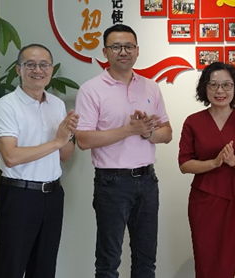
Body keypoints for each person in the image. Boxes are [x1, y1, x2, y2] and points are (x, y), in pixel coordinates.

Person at [75, 24, 173, 278]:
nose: (123, 52)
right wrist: (130, 130)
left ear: (137, 50)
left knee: (146, 259)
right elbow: (83, 139)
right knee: (108, 261)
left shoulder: (151, 87)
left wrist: (146, 132)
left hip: (147, 180)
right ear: (105, 52)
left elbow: (167, 133)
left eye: (129, 46)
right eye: (116, 47)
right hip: (112, 182)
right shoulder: (91, 89)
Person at [0, 44, 79, 278]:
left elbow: (65, 154)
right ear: (18, 69)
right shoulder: (5, 106)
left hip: (53, 195)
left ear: (51, 69)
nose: (38, 70)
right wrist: (57, 141)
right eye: (30, 64)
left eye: (44, 65)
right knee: (10, 268)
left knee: (44, 269)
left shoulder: (57, 105)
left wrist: (68, 134)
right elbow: (11, 157)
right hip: (19, 196)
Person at [178, 62, 235, 278]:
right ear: (205, 88)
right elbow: (184, 164)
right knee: (207, 256)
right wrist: (213, 163)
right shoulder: (193, 122)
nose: (220, 91)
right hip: (205, 200)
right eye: (213, 85)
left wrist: (234, 161)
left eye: (226, 85)